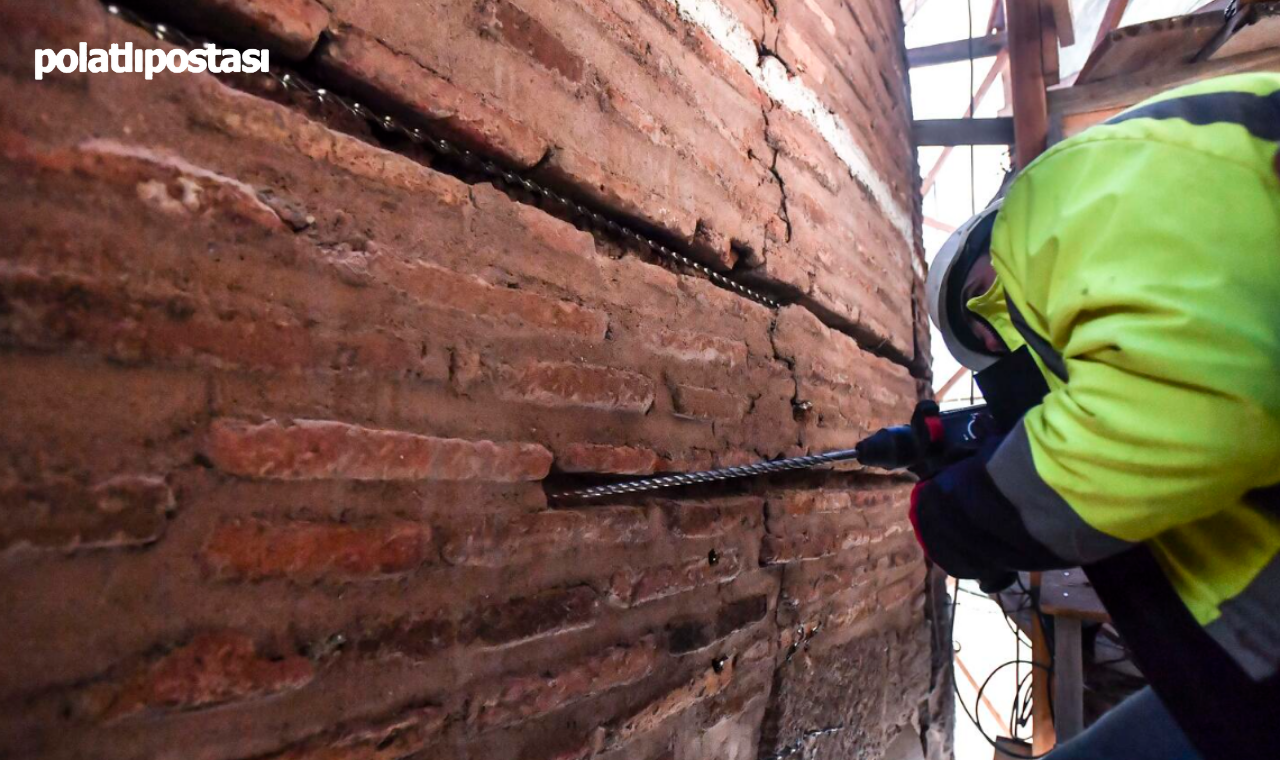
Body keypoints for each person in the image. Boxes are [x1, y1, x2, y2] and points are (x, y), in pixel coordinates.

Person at [912, 72, 1280, 760]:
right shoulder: (1121, 200)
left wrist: (964, 513)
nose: (1003, 349)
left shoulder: (1045, 217)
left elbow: (1186, 389)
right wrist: (958, 442)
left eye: (991, 338)